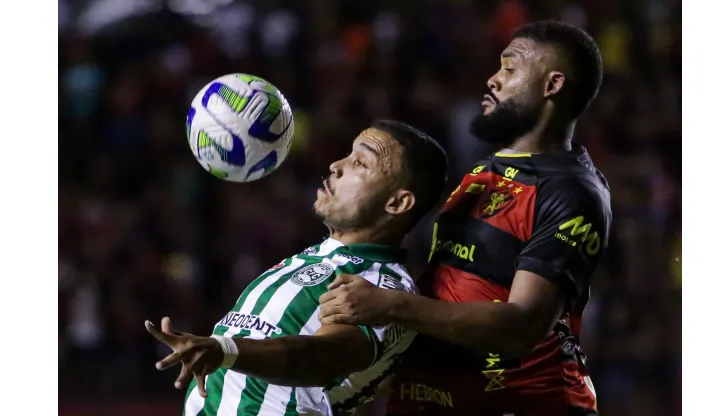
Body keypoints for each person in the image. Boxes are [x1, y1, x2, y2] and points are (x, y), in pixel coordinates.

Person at [318, 21, 612, 416]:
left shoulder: (573, 192)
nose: (493, 79)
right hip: (434, 398)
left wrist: (389, 305)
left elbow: (522, 326)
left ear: (552, 85)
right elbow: (451, 294)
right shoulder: (482, 172)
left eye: (509, 68)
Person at [145, 120, 448, 416]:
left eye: (361, 164)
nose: (336, 165)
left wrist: (225, 350)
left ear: (396, 203)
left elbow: (321, 358)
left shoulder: (383, 286)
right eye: (348, 153)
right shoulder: (318, 256)